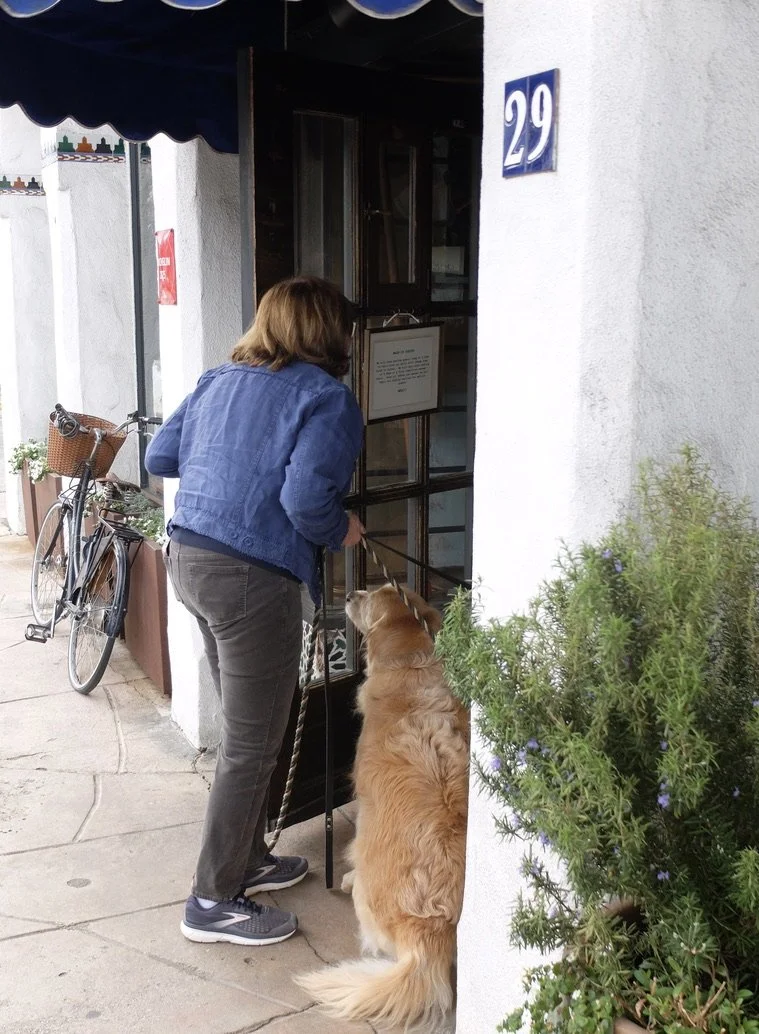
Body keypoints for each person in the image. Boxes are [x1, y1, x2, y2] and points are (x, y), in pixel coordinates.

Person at [145, 276, 365, 947]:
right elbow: (304, 502)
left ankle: (247, 861)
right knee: (251, 744)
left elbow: (160, 455)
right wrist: (341, 528)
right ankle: (211, 900)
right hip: (250, 580)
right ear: (328, 331)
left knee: (252, 732)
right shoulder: (326, 398)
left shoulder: (217, 379)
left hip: (188, 562)